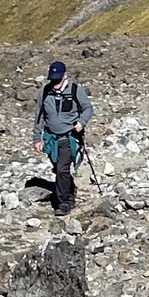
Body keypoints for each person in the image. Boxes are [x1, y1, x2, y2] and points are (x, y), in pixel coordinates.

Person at [31, 60, 94, 215]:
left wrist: (82, 122)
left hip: (69, 137)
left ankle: (64, 202)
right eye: (53, 79)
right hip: (51, 138)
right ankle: (69, 188)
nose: (55, 83)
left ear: (65, 76)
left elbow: (88, 108)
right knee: (58, 168)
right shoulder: (44, 92)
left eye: (58, 79)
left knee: (62, 169)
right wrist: (37, 138)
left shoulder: (75, 90)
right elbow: (39, 116)